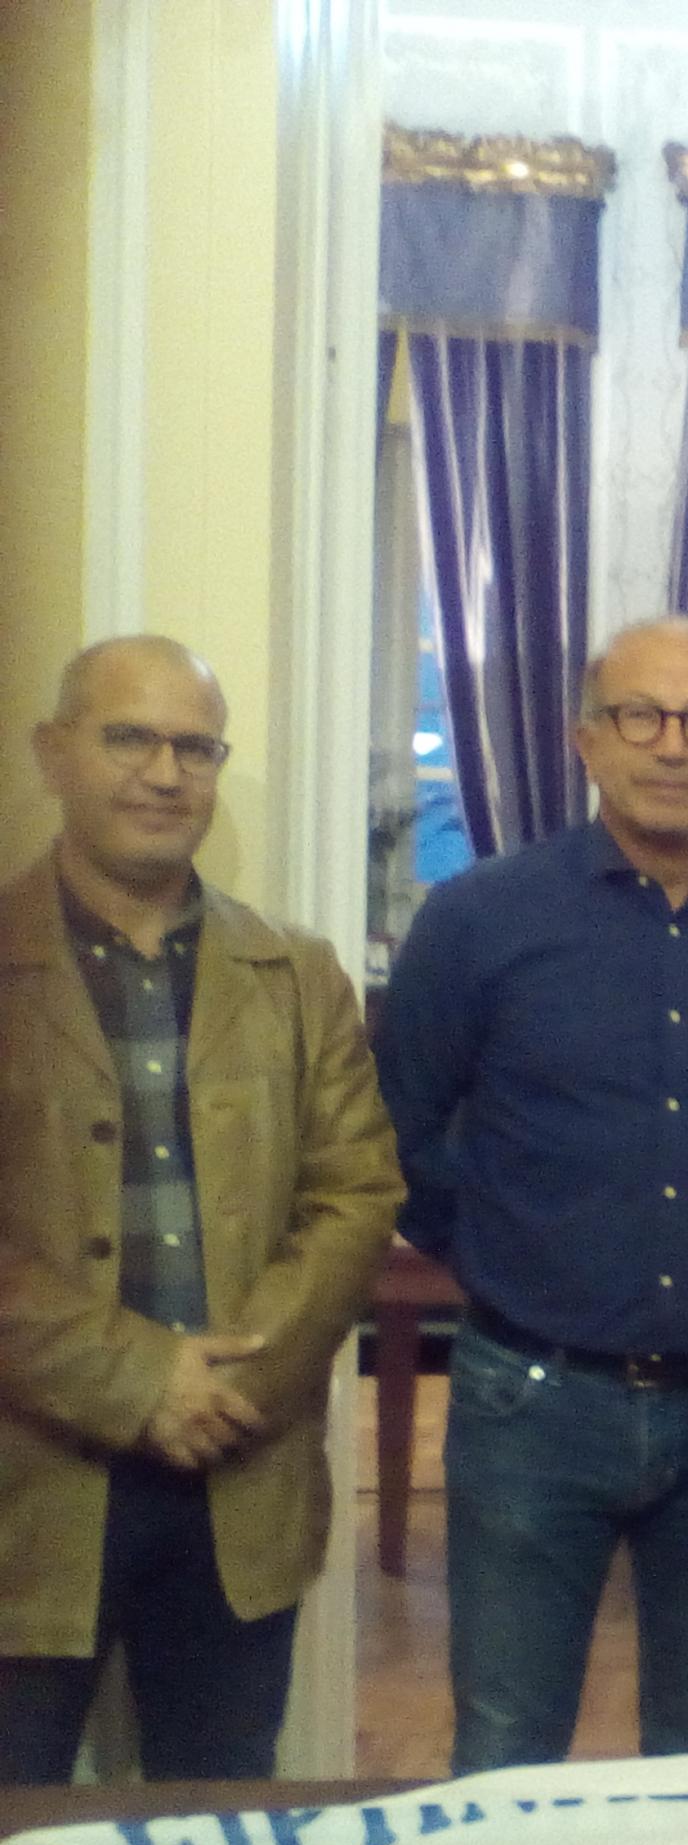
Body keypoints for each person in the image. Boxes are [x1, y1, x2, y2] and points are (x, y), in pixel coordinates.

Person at [375, 616, 688, 1774]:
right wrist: (511, 1248)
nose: (673, 744)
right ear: (585, 737)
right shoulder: (478, 918)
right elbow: (400, 1129)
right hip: (530, 1398)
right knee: (506, 1742)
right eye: (641, 715)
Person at [0, 636, 402, 1781]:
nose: (165, 772)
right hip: (27, 1484)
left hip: (240, 1480)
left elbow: (358, 1190)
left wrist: (225, 1388)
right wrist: (142, 1380)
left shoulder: (298, 975)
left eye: (195, 746)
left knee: (219, 1827)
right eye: (130, 737)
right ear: (54, 752)